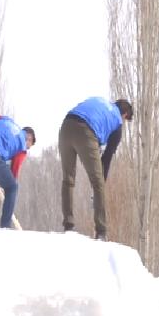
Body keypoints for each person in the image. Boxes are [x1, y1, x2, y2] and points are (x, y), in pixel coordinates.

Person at [58, 97, 133, 240]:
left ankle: (68, 225)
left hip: (66, 126)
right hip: (86, 131)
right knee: (98, 183)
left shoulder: (100, 101)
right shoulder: (117, 124)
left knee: (68, 179)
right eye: (126, 119)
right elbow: (107, 158)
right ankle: (101, 231)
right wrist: (100, 183)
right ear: (124, 115)